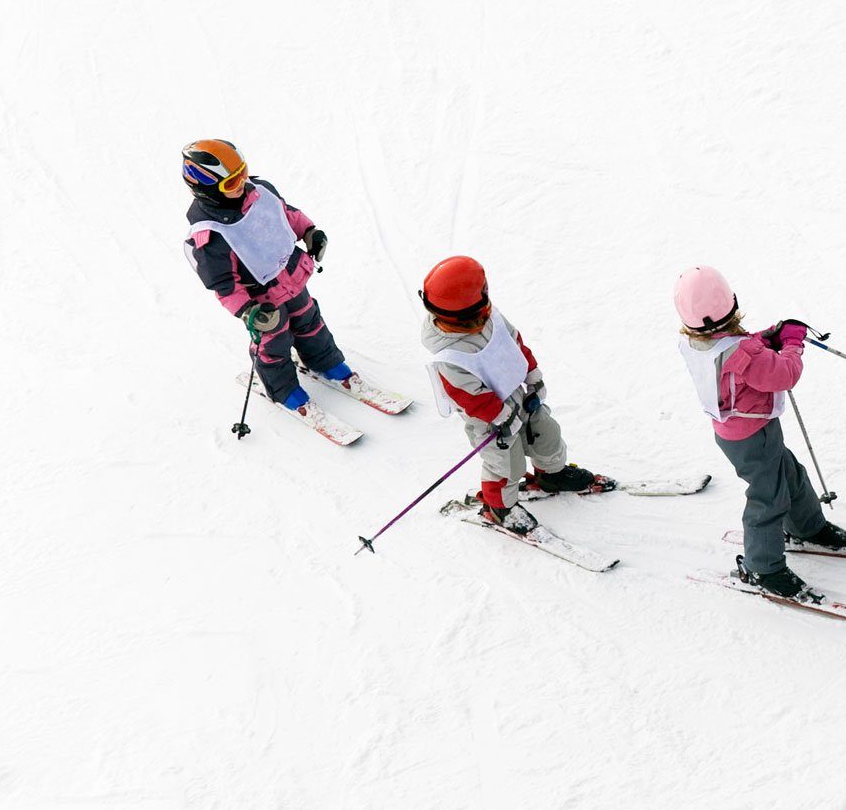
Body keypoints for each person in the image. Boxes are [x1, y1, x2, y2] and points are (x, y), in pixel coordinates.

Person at [673, 266, 846, 600]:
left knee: (789, 474)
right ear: (731, 304)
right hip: (751, 434)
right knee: (768, 496)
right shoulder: (744, 354)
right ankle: (764, 567)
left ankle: (807, 526)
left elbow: (736, 349)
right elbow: (784, 374)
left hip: (738, 431)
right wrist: (791, 343)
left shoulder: (696, 342)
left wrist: (765, 337)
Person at [181, 139, 382, 423]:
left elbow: (286, 215)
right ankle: (282, 388)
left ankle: (323, 361)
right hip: (261, 301)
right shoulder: (210, 234)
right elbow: (223, 284)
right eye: (231, 182)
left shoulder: (261, 192)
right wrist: (248, 312)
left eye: (242, 173)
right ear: (207, 189)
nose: (241, 183)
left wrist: (309, 232)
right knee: (274, 341)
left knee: (310, 320)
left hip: (291, 275)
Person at [420, 255, 602, 534]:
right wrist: (503, 417)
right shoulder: (449, 356)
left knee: (547, 433)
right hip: (490, 420)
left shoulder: (489, 316)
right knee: (505, 463)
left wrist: (533, 375)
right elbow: (470, 397)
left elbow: (514, 343)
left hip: (519, 394)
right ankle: (499, 508)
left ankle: (550, 476)